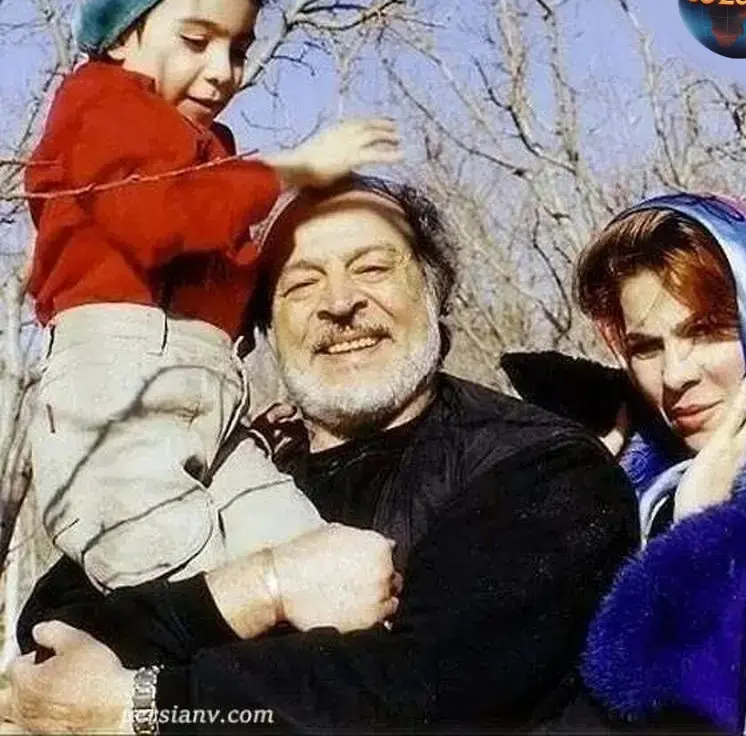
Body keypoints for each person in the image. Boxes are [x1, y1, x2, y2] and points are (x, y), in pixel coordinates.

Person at [8, 174, 638, 734]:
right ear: (263, 326)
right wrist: (264, 588)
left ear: (433, 294)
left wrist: (149, 705)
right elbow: (54, 641)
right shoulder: (223, 468)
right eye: (301, 283)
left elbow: (428, 695)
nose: (339, 304)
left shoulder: (545, 469)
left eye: (373, 269)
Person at [26, 0, 401, 591]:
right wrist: (290, 168)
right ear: (122, 35)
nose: (223, 72)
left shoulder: (211, 151)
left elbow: (215, 269)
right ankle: (157, 656)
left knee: (308, 555)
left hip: (210, 394)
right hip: (119, 381)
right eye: (196, 41)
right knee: (167, 569)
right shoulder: (100, 102)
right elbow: (150, 220)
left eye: (239, 49)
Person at [570, 193, 746, 733]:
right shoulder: (644, 483)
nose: (675, 376)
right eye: (646, 348)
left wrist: (701, 533)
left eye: (706, 330)